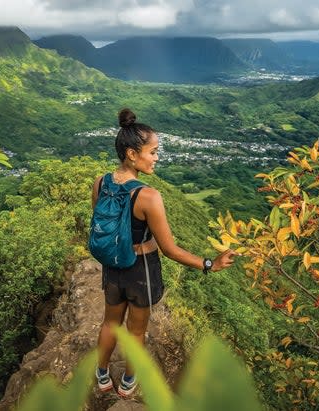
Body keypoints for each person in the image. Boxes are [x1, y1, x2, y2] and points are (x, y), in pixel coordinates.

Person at [93, 108, 239, 397]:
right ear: (132, 154)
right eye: (153, 152)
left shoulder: (100, 182)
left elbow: (99, 224)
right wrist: (209, 263)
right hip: (140, 270)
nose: (157, 158)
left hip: (112, 265)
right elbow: (170, 250)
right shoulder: (148, 196)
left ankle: (101, 374)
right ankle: (127, 383)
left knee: (110, 322)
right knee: (135, 331)